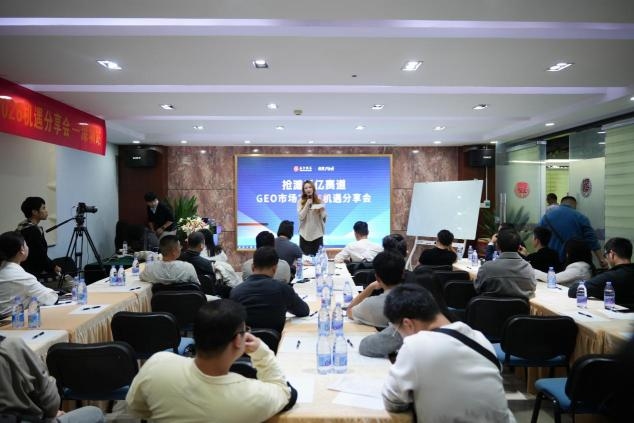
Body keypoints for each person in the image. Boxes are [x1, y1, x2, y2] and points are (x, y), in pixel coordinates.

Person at [126, 299, 296, 423]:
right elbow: (284, 391)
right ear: (239, 340)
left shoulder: (157, 364)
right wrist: (262, 352)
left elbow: (135, 408)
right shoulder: (251, 395)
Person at [381, 284, 515, 423]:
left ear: (408, 324)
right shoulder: (479, 338)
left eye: (398, 330)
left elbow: (392, 402)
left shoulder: (415, 345)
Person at [0, 335, 105, 423]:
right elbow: (50, 401)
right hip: (30, 419)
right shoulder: (10, 346)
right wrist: (50, 415)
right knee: (95, 413)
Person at [230, 246, 309, 333]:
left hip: (247, 340)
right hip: (276, 340)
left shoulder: (236, 292)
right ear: (274, 269)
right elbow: (304, 311)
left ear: (252, 267)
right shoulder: (283, 289)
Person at [0, 231, 58, 317]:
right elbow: (51, 298)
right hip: (14, 320)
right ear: (22, 250)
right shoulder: (21, 277)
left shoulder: (4, 269)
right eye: (26, 245)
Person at [539, 195, 607, 267]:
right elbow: (592, 240)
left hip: (551, 259)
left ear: (561, 203)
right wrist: (601, 259)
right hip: (573, 261)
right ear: (574, 204)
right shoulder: (581, 217)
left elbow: (539, 237)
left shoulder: (546, 217)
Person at [568, 237, 634, 305]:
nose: (606, 259)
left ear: (612, 254)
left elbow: (573, 291)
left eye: (605, 255)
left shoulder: (611, 277)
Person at [346, 251, 404, 329]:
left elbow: (349, 311)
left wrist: (370, 287)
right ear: (403, 274)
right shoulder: (416, 298)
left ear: (377, 277)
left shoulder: (370, 304)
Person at [474, 229, 537, 299]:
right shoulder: (528, 269)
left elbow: (477, 288)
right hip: (518, 306)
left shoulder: (486, 268)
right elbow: (532, 292)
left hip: (488, 306)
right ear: (519, 247)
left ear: (497, 246)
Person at [16, 197, 60, 285]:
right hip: (33, 274)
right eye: (43, 208)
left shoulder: (23, 226)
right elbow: (40, 255)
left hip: (27, 270)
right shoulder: (32, 230)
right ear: (34, 212)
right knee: (68, 282)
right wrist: (54, 266)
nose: (46, 211)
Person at [297, 180, 327, 256]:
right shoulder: (300, 202)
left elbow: (324, 218)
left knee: (318, 258)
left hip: (317, 234)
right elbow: (301, 217)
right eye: (306, 188)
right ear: (303, 190)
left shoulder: (320, 201)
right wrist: (307, 204)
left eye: (310, 187)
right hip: (304, 234)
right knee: (305, 259)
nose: (308, 189)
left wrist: (322, 209)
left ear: (313, 189)